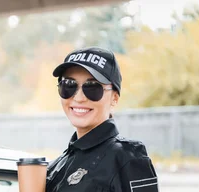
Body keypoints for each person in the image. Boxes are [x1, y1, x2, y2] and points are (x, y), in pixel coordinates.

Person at [45, 47, 158, 192]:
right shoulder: (56, 166)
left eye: (93, 88)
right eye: (69, 85)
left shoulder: (127, 159)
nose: (79, 98)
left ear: (114, 99)